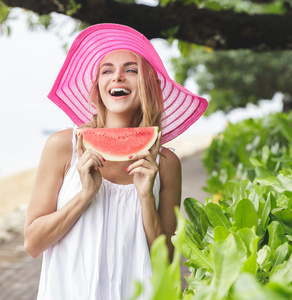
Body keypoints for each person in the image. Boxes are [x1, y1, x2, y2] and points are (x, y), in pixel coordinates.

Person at [24, 23, 207, 300]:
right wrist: (85, 194)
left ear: (148, 83)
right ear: (98, 86)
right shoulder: (63, 147)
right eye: (106, 70)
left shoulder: (166, 163)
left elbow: (167, 261)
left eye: (131, 70)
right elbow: (33, 243)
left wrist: (146, 196)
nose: (117, 77)